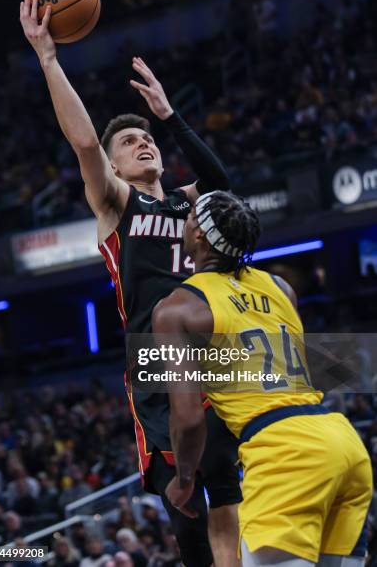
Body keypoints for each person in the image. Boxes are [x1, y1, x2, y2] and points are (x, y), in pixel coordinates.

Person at [20, 0, 241, 567]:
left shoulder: (187, 201)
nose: (143, 145)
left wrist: (169, 117)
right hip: (156, 361)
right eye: (131, 143)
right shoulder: (117, 202)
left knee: (229, 508)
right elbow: (87, 144)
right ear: (116, 168)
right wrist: (48, 57)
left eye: (149, 142)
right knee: (190, 523)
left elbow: (223, 186)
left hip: (213, 350)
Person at [152, 190, 373, 566]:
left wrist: (185, 479)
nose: (184, 224)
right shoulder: (281, 288)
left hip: (284, 453)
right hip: (342, 443)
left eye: (190, 218)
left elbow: (188, 419)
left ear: (201, 235)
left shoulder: (178, 309)